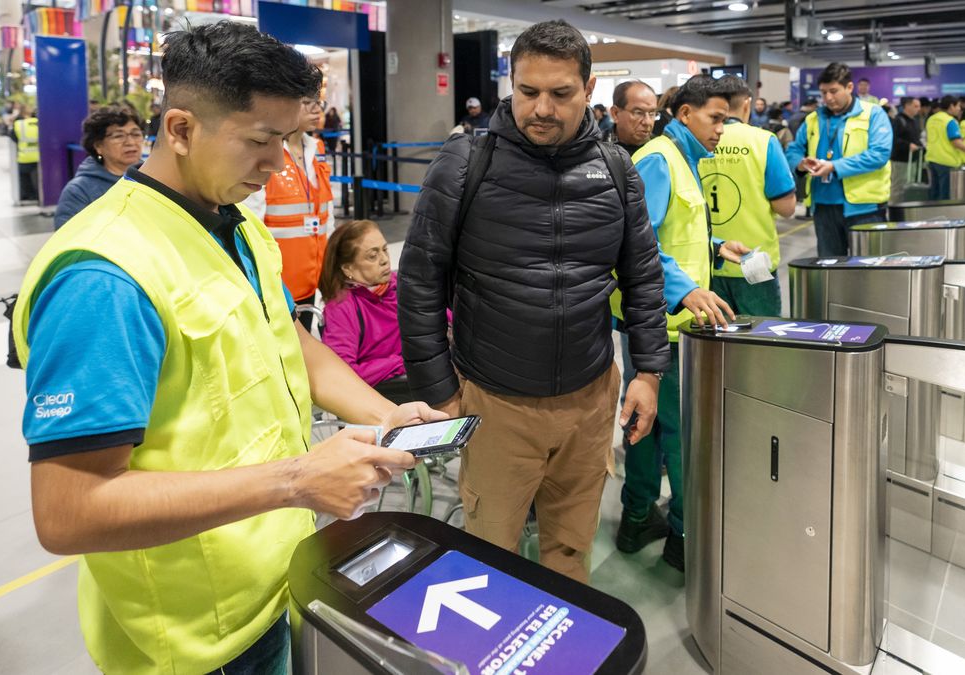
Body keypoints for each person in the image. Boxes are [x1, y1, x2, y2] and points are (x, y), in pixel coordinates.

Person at [10, 22, 439, 674]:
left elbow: (289, 341)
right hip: (194, 633)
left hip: (276, 574)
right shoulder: (105, 276)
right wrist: (297, 478)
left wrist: (384, 412)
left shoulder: (235, 224)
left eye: (287, 139)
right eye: (261, 141)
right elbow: (69, 510)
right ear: (180, 129)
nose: (276, 165)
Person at [400, 19, 669, 584]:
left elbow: (642, 274)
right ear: (511, 84)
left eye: (560, 93)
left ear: (589, 90)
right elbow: (421, 279)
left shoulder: (617, 169)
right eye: (528, 92)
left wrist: (648, 371)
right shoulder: (465, 164)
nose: (541, 108)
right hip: (496, 402)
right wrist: (439, 389)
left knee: (571, 555)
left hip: (591, 398)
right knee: (490, 560)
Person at [619, 74, 750, 572]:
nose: (722, 128)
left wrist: (717, 248)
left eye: (727, 119)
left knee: (648, 430)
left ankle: (636, 521)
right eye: (716, 118)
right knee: (680, 436)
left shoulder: (684, 160)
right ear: (685, 114)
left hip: (668, 322)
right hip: (663, 325)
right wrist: (684, 289)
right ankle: (683, 538)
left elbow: (671, 232)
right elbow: (637, 242)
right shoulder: (658, 159)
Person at [699, 75, 796, 317]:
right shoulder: (763, 142)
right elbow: (787, 208)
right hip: (753, 263)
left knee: (715, 345)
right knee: (762, 342)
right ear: (747, 105)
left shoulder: (697, 143)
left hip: (706, 262)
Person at [242, 92, 335, 318]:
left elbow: (327, 212)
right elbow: (251, 221)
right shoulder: (267, 154)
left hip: (317, 275)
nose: (316, 109)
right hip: (279, 283)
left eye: (318, 103)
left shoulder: (317, 149)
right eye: (307, 103)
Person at [785, 63, 893, 256]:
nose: (828, 98)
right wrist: (800, 164)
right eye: (823, 92)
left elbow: (879, 155)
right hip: (824, 208)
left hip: (864, 208)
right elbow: (793, 150)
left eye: (833, 91)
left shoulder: (873, 114)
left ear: (849, 87)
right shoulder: (813, 119)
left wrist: (834, 166)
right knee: (831, 270)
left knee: (868, 270)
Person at [319, 219, 413, 401]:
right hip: (382, 395)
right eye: (373, 256)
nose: (385, 260)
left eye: (385, 250)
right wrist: (404, 362)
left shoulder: (399, 284)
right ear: (348, 268)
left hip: (415, 382)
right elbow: (342, 374)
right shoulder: (342, 308)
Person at [54, 105, 146, 229]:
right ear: (98, 146)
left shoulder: (154, 179)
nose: (130, 142)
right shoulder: (79, 191)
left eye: (136, 134)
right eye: (118, 136)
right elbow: (66, 239)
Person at [925, 95, 965, 200]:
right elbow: (956, 142)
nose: (959, 109)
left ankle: (932, 214)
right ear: (951, 106)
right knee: (945, 195)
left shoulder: (931, 118)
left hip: (932, 159)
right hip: (947, 161)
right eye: (958, 106)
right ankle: (944, 215)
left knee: (934, 193)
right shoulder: (950, 121)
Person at [607, 79, 658, 154]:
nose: (648, 122)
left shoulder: (660, 149)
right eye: (638, 113)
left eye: (652, 113)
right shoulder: (596, 149)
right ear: (615, 113)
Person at [890, 96, 923, 204]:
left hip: (912, 160)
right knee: (898, 187)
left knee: (909, 187)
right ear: (907, 106)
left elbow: (915, 138)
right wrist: (908, 145)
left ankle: (905, 210)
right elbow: (894, 140)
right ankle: (894, 211)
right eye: (915, 106)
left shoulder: (914, 121)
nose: (918, 109)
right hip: (900, 160)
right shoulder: (898, 120)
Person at [10, 108, 39, 202]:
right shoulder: (41, 122)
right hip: (40, 157)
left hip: (24, 157)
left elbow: (13, 138)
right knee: (38, 180)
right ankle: (38, 196)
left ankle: (27, 196)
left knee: (24, 178)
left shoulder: (19, 124)